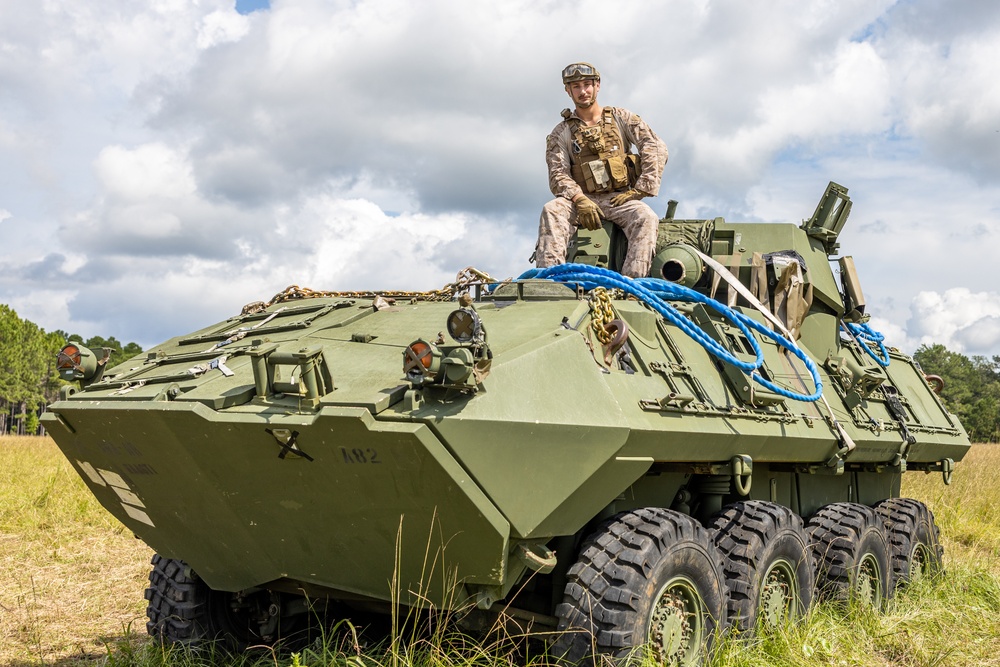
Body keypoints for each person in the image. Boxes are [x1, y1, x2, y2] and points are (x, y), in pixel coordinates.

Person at [534, 62, 668, 278]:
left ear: (597, 85)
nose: (583, 91)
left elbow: (655, 146)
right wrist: (579, 198)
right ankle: (549, 280)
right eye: (576, 86)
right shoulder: (562, 132)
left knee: (645, 217)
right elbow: (558, 174)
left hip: (619, 199)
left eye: (587, 84)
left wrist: (641, 190)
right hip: (581, 201)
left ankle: (631, 286)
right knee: (552, 210)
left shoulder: (620, 118)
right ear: (568, 91)